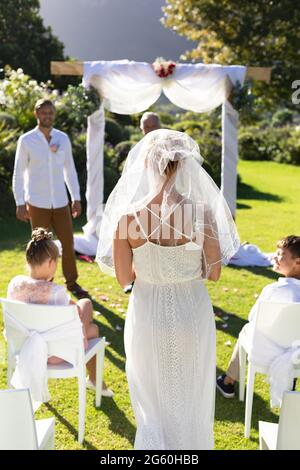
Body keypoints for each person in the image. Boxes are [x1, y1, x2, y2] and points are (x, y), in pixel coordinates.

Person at [96, 129, 240, 449]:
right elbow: (214, 272)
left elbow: (123, 277)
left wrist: (151, 267)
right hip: (191, 310)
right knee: (190, 392)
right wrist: (186, 266)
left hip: (147, 311)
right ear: (182, 165)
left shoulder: (128, 217)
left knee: (152, 398)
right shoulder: (200, 213)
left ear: (147, 165)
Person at [7, 227, 114, 397]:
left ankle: (94, 379)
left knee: (90, 323)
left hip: (24, 347)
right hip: (56, 353)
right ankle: (94, 379)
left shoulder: (15, 284)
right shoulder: (55, 292)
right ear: (51, 262)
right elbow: (74, 313)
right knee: (87, 309)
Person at [12, 98, 87, 298]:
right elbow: (18, 173)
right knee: (41, 246)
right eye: (44, 113)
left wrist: (76, 198)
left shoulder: (62, 138)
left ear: (54, 114)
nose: (48, 116)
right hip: (37, 202)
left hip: (61, 202)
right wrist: (20, 202)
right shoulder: (26, 140)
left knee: (68, 242)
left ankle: (72, 283)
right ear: (36, 114)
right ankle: (42, 284)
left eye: (51, 113)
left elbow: (69, 170)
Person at [217, 235, 300, 399]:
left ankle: (228, 381)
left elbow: (253, 317)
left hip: (266, 353)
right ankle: (289, 387)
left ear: (298, 262)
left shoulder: (273, 290)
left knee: (247, 330)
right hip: (294, 354)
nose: (274, 257)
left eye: (280, 254)